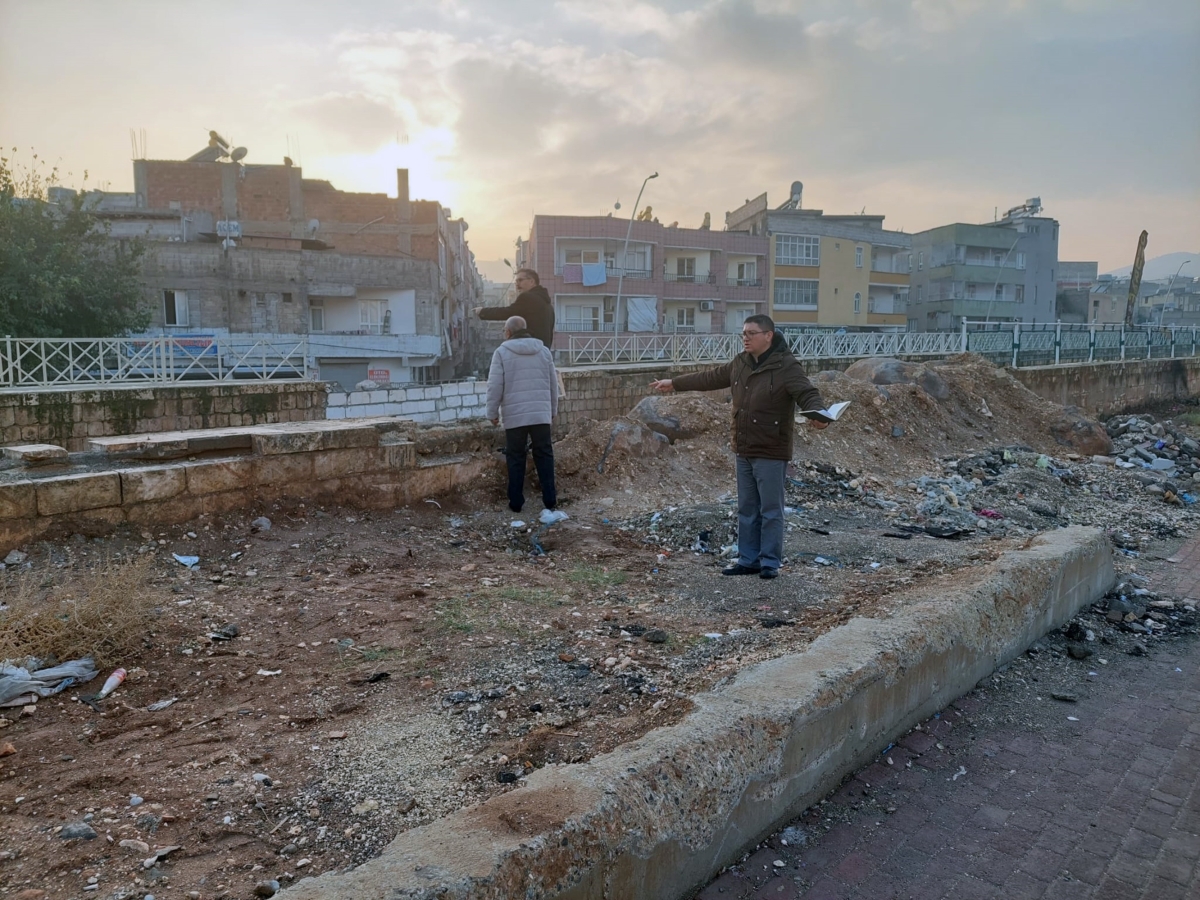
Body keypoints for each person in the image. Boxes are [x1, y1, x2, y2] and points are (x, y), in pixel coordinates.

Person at [650, 315, 830, 580]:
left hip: (771, 449)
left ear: (768, 335)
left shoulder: (787, 366)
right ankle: (748, 559)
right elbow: (710, 378)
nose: (745, 337)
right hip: (743, 447)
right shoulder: (741, 363)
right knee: (747, 508)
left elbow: (806, 392)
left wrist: (819, 414)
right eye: (743, 333)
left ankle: (769, 562)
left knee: (770, 510)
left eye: (751, 333)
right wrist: (675, 383)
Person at [487, 315, 563, 521]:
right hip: (540, 414)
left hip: (515, 415)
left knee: (515, 457)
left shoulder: (502, 352)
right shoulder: (543, 351)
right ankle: (550, 500)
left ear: (508, 332)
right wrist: (552, 410)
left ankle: (516, 503)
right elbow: (552, 385)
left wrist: (492, 413)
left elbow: (495, 385)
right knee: (545, 455)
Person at [475, 268, 555, 348]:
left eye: (520, 280)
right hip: (543, 352)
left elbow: (508, 312)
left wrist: (483, 312)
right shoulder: (548, 305)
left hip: (529, 350)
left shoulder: (527, 297)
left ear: (531, 282)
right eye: (516, 281)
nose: (517, 284)